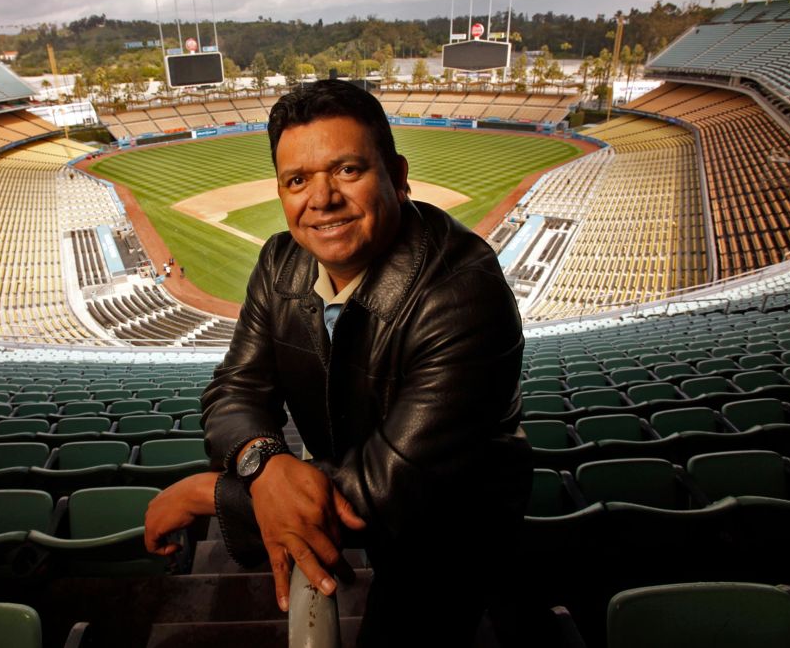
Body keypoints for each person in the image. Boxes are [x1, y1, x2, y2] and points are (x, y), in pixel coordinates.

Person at [145, 79, 530, 645]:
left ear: (397, 176)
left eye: (347, 170)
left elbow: (390, 485)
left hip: (450, 532)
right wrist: (264, 465)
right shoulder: (281, 260)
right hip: (362, 488)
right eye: (297, 180)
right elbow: (234, 390)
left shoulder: (464, 294)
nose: (320, 199)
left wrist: (209, 492)